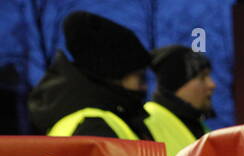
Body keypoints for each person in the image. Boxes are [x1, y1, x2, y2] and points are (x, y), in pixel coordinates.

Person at [28, 11, 154, 140]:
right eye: (141, 78)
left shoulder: (91, 120)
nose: (144, 87)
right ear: (113, 75)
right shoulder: (94, 128)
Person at [145, 45, 216, 156]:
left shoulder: (197, 124)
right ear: (177, 84)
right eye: (202, 77)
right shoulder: (147, 121)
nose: (212, 84)